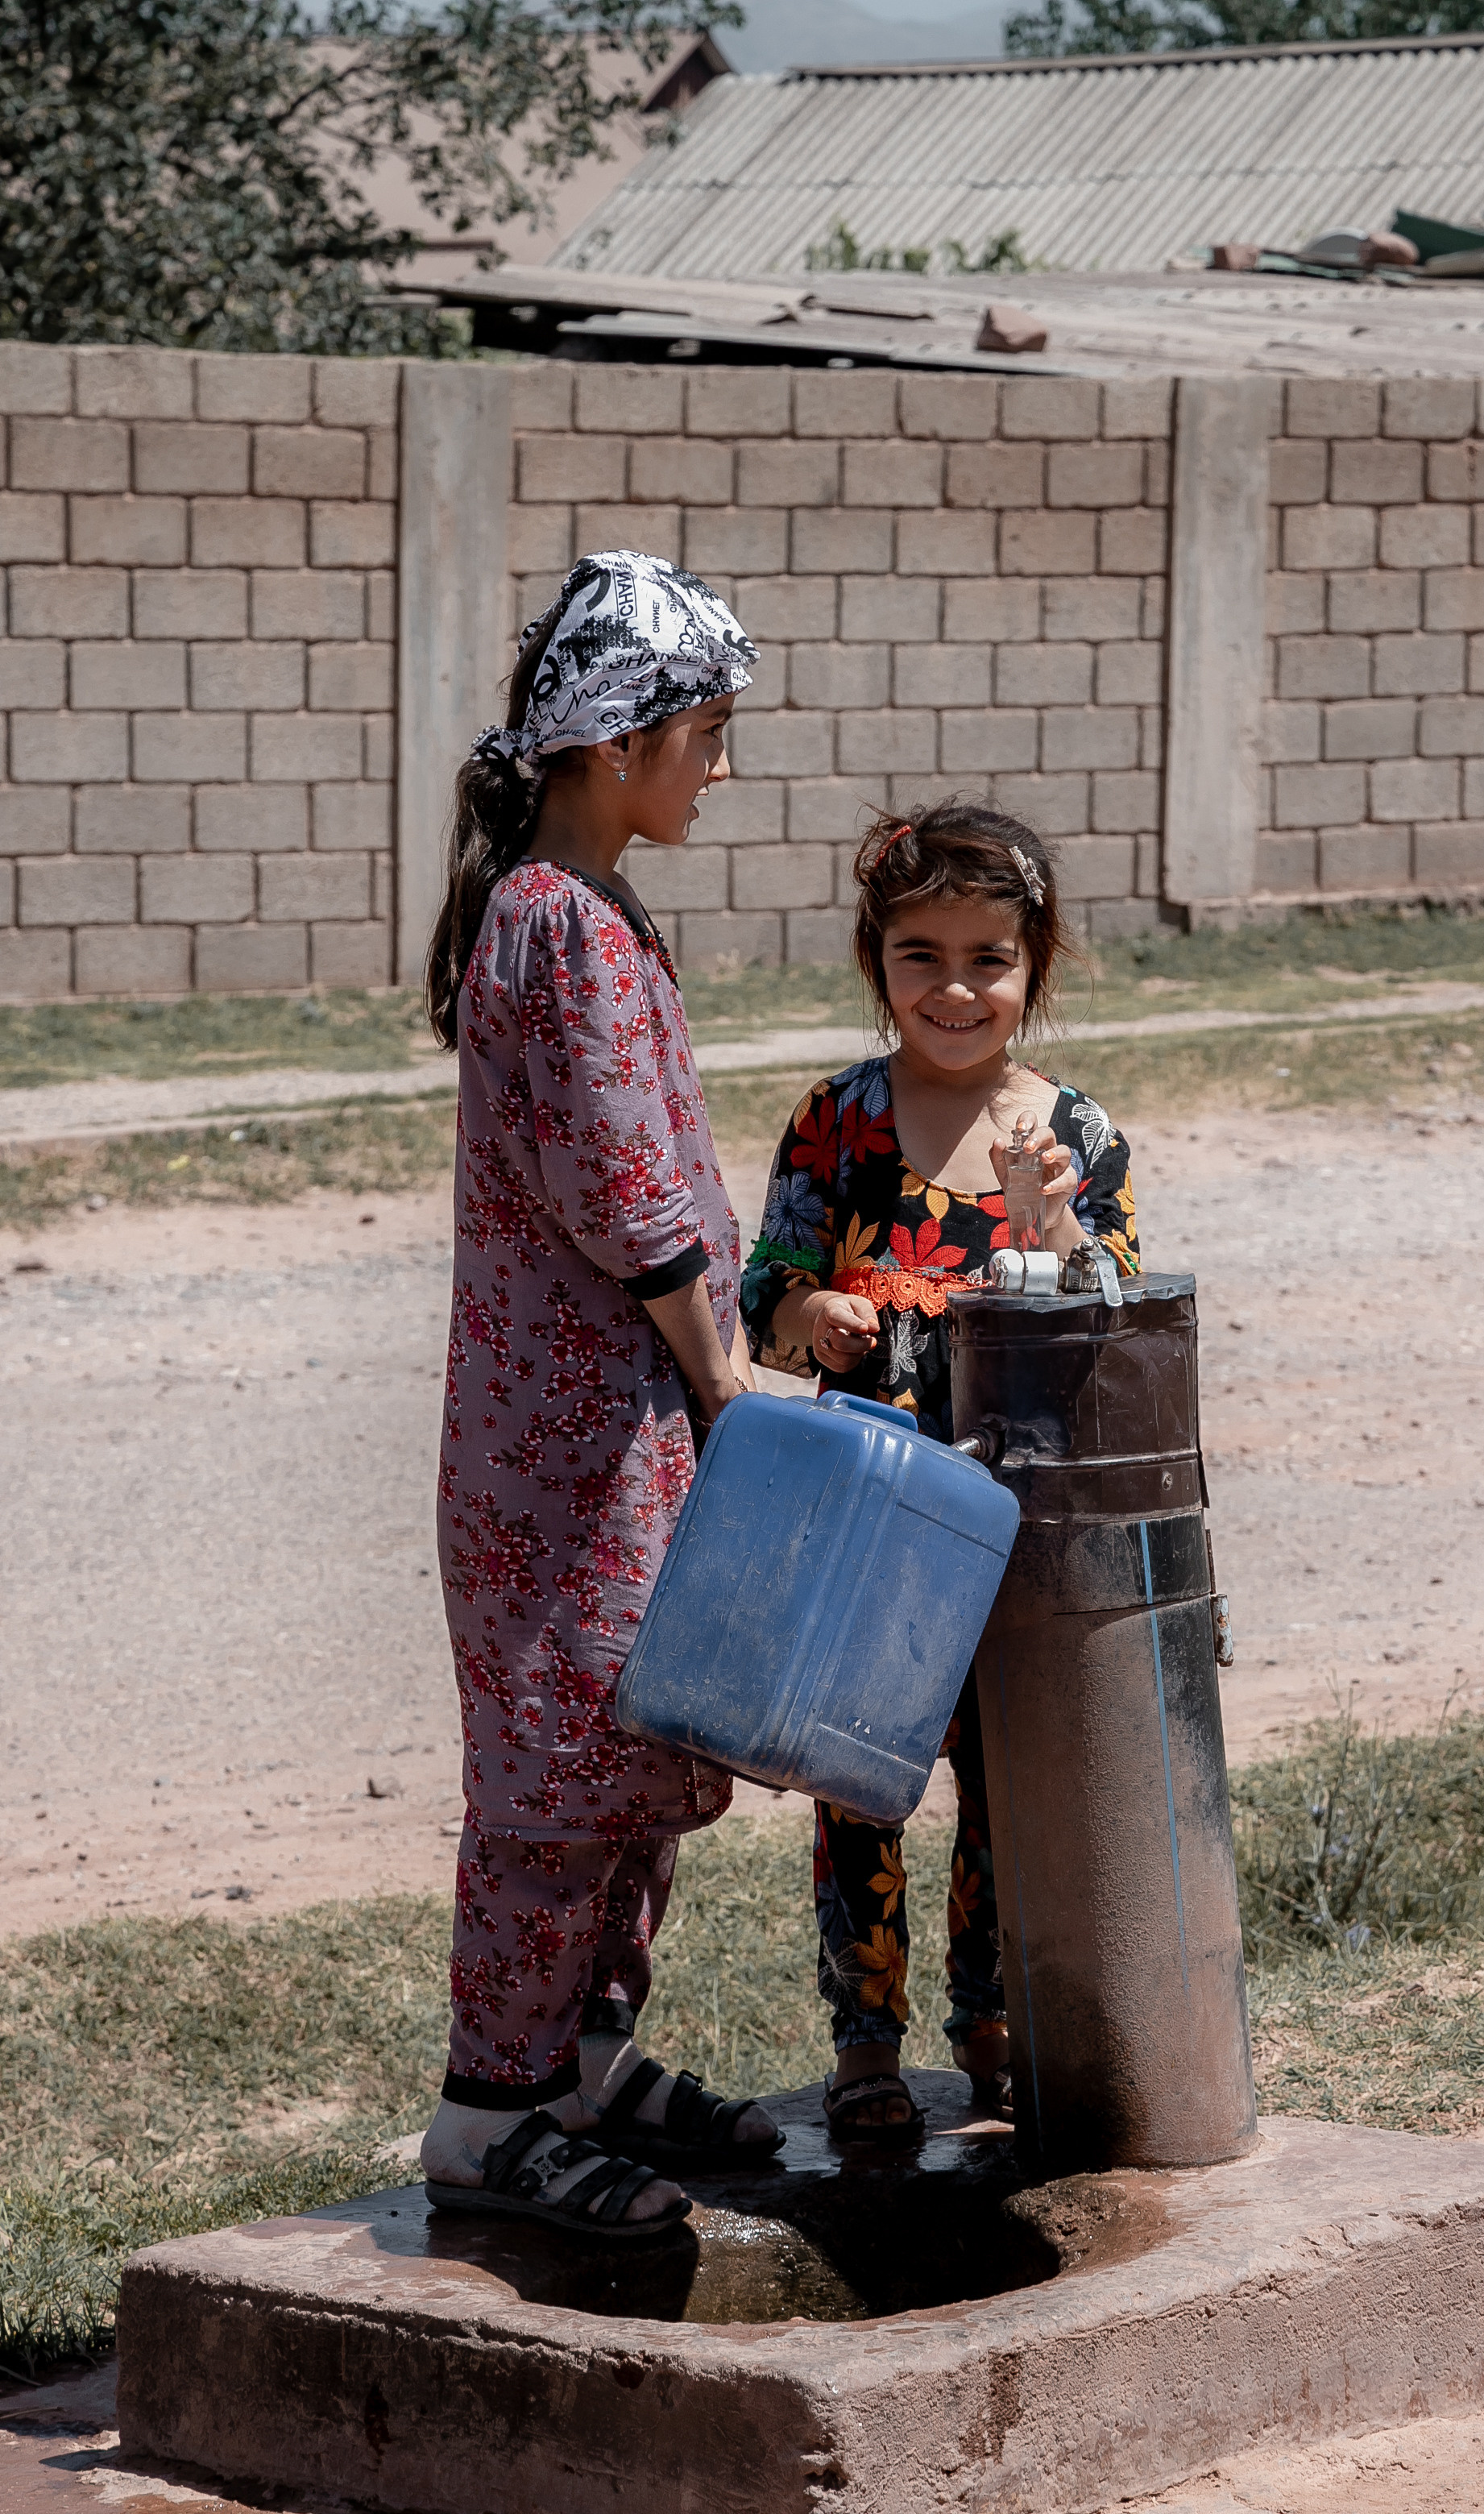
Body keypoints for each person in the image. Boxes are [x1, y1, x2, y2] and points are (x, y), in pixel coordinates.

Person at [417, 550, 782, 2244]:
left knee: (642, 1750)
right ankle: (491, 2116)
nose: (718, 767)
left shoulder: (595, 910)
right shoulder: (552, 926)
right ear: (620, 740)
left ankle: (588, 2066)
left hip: (620, 1442)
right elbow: (631, 1201)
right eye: (705, 732)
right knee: (558, 1790)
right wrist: (731, 1388)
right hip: (568, 1455)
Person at [740, 802, 1141, 2144]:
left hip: (1015, 1521)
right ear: (876, 962)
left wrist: (1050, 1227)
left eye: (990, 958)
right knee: (857, 1778)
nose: (958, 990)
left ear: (1038, 966)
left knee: (1000, 1780)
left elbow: (1113, 1325)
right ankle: (865, 2040)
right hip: (867, 1522)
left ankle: (988, 2015)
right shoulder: (836, 1123)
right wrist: (805, 1321)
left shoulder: (1074, 1137)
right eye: (924, 957)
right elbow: (762, 1287)